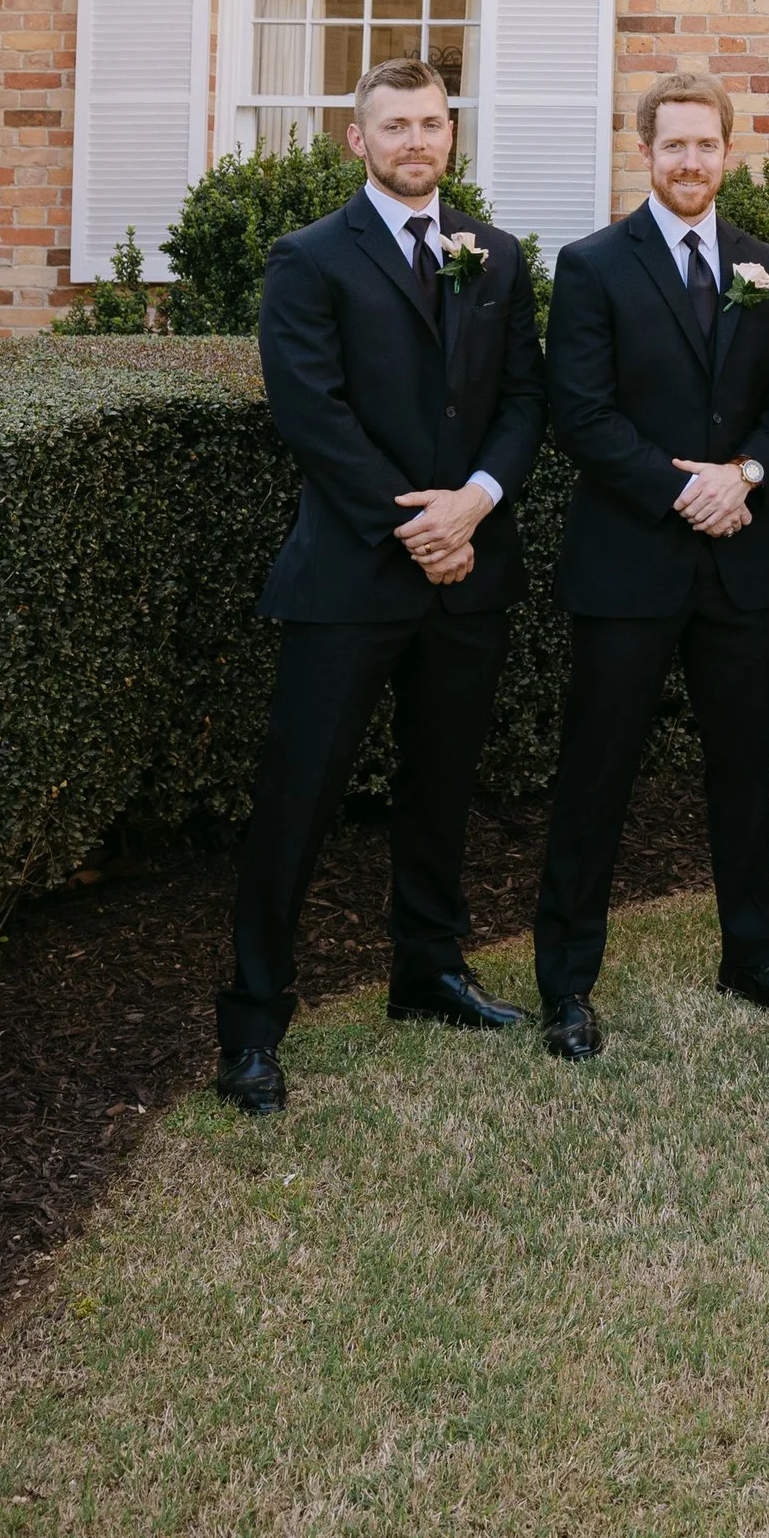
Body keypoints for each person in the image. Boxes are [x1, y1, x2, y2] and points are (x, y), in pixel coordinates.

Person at [213, 56, 546, 1114]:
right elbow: (309, 411)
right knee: (298, 798)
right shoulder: (309, 256)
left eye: (432, 123)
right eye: (395, 125)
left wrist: (474, 503)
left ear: (452, 133)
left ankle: (429, 972)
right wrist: (421, 524)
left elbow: (525, 400)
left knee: (441, 785)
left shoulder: (495, 254)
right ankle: (252, 1025)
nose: (416, 141)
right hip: (352, 577)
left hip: (467, 572)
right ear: (357, 139)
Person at [530, 73, 769, 1061]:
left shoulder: (767, 266)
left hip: (741, 561)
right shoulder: (592, 265)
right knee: (596, 774)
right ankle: (567, 984)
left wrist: (746, 475)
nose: (691, 161)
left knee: (745, 771)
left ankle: (754, 959)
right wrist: (679, 489)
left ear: (728, 153)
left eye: (706, 145)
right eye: (674, 145)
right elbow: (581, 411)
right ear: (645, 152)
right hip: (629, 563)